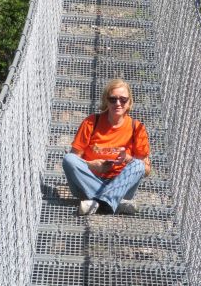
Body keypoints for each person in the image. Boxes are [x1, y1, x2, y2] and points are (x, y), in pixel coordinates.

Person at [62, 78, 151, 216]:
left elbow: (145, 170)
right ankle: (113, 203)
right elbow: (74, 158)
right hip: (88, 180)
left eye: (123, 99)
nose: (118, 103)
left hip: (121, 185)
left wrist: (128, 159)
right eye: (113, 99)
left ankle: (97, 202)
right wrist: (90, 165)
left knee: (138, 165)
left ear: (129, 102)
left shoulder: (137, 128)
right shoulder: (91, 122)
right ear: (106, 101)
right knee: (68, 159)